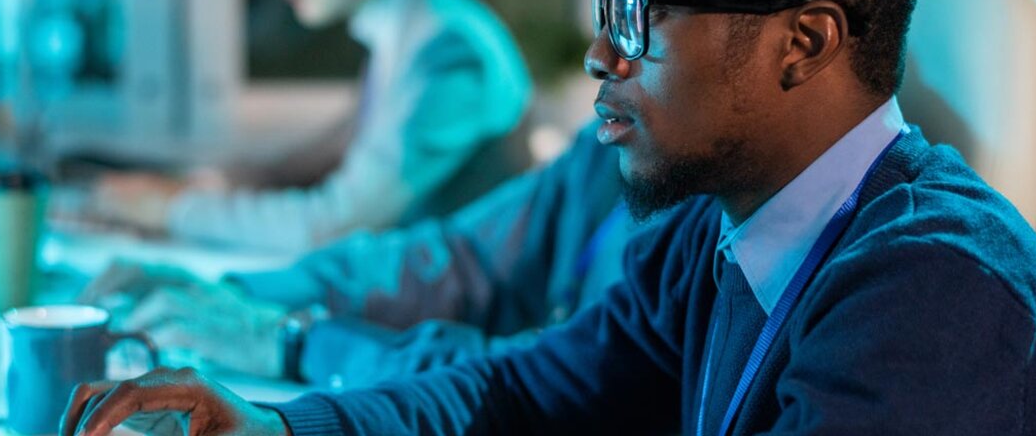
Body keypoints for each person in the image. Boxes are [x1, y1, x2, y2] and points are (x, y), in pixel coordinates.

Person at [60, 0, 1036, 434]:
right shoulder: (713, 225)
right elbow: (522, 395)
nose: (603, 49)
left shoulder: (938, 306)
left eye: (639, 7)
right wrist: (280, 429)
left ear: (805, 43)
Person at [79, 121, 633, 386]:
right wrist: (236, 295)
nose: (597, 57)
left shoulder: (451, 54)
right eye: (600, 4)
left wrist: (291, 339)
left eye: (640, 6)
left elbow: (559, 374)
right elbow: (460, 257)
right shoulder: (606, 147)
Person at [80, 0, 534, 253]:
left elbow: (333, 225)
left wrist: (171, 209)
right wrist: (197, 186)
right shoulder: (413, 30)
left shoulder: (450, 51)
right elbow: (318, 159)